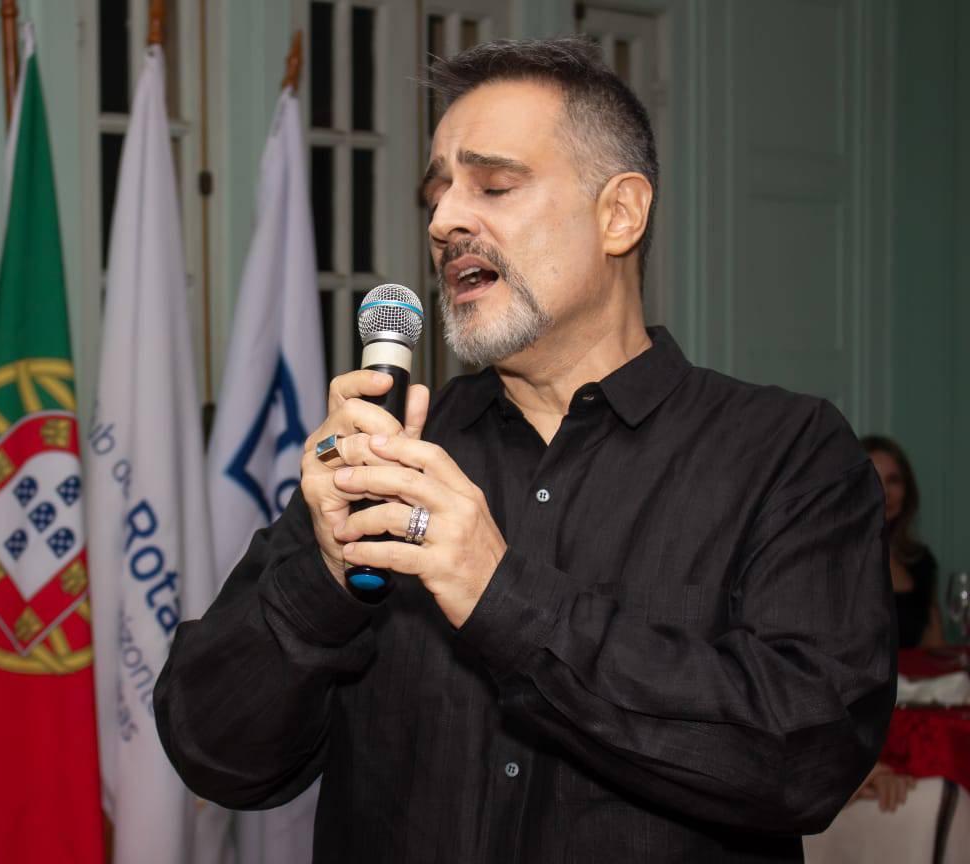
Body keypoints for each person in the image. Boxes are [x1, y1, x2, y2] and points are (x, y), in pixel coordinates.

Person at [155, 38, 895, 861]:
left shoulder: (786, 454)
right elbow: (213, 753)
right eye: (435, 195)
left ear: (620, 214)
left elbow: (808, 755)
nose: (442, 222)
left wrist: (498, 594)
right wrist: (322, 575)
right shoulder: (391, 456)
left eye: (494, 185)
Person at [862, 435, 945, 649]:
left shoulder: (921, 561)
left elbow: (934, 648)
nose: (885, 492)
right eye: (874, 480)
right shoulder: (831, 559)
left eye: (893, 480)